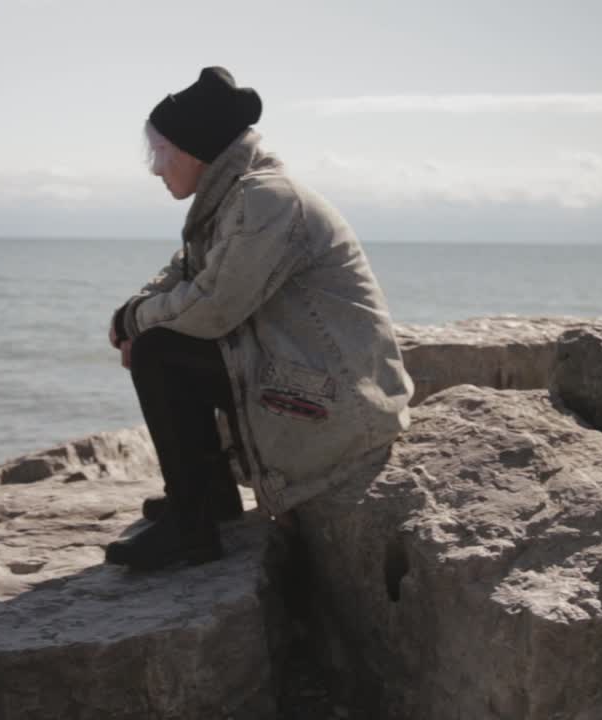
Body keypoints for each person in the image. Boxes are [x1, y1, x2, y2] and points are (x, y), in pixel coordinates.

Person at [105, 67, 413, 571]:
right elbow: (180, 273)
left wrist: (137, 322)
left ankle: (191, 528)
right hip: (314, 379)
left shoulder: (265, 201)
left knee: (161, 351)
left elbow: (213, 308)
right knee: (158, 339)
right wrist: (131, 315)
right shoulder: (233, 200)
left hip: (342, 405)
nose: (155, 169)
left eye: (159, 153)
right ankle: (207, 497)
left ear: (194, 151)